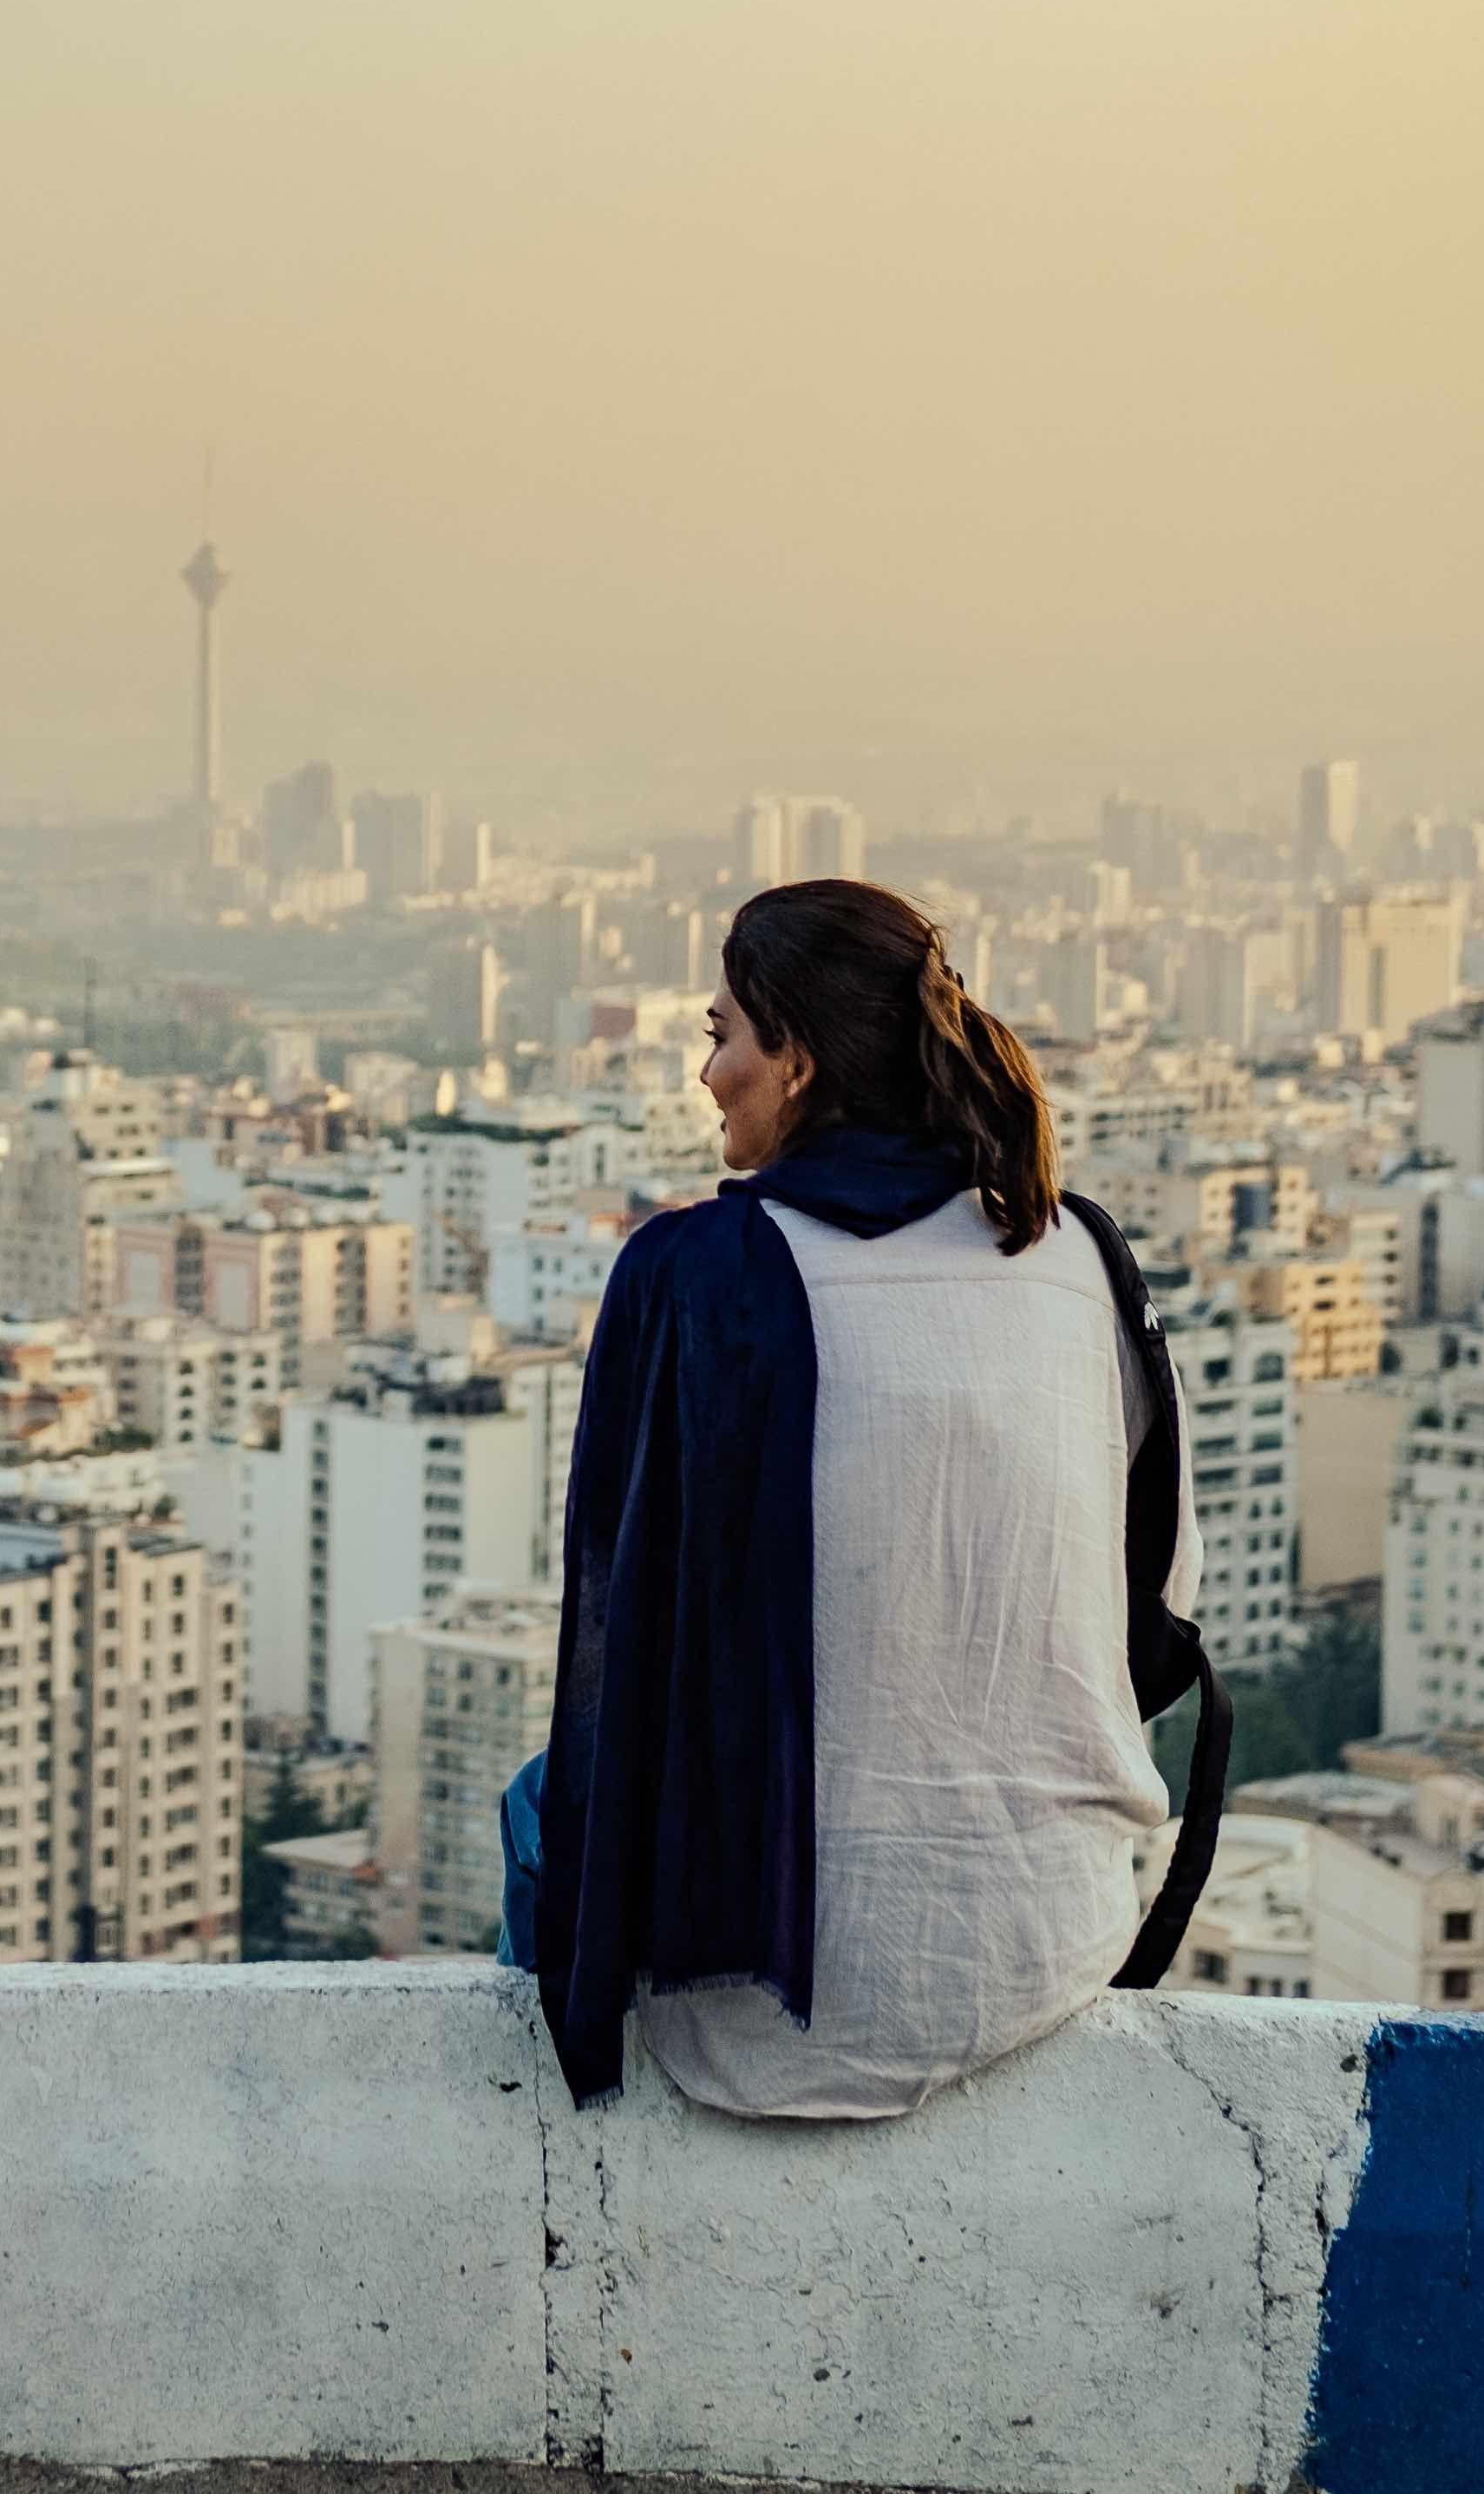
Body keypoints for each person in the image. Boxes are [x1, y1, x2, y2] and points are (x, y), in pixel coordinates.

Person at [520, 877, 1216, 2116]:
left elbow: (621, 1657)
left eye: (720, 1034)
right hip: (1055, 1937)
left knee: (535, 1810)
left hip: (764, 2016)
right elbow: (1162, 1603)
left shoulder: (695, 1278)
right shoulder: (1078, 1252)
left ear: (792, 1058)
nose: (706, 1071)